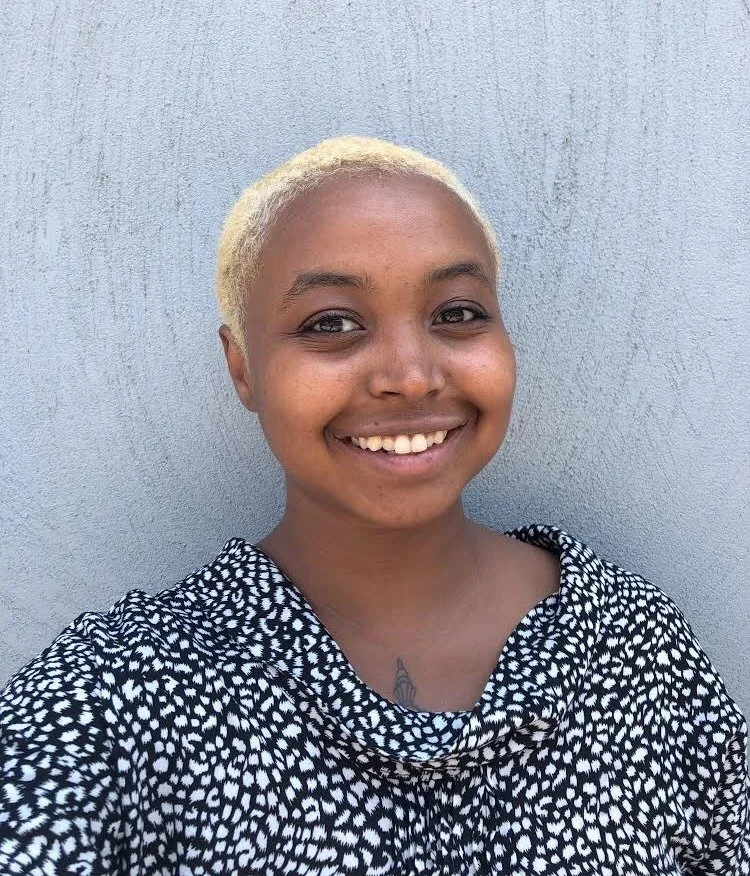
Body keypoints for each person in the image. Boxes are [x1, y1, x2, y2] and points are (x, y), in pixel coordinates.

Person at [0, 136, 747, 875]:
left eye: (456, 313)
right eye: (332, 323)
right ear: (243, 369)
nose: (412, 375)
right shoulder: (114, 697)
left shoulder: (636, 647)